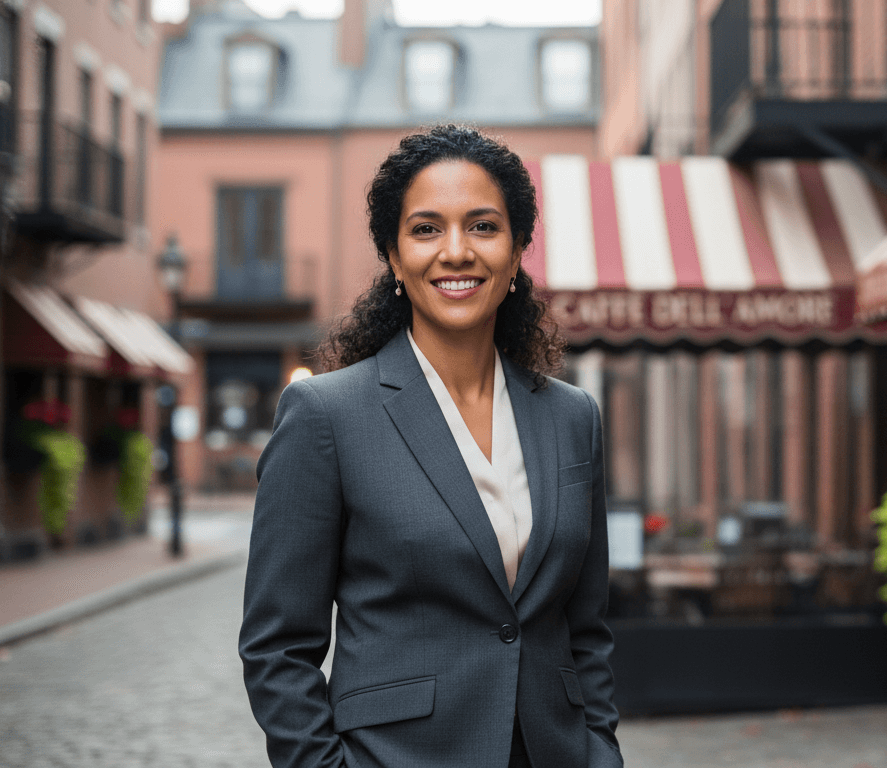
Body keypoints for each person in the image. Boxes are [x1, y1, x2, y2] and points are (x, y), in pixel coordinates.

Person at [239, 125, 622, 768]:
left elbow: (587, 631)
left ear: (518, 247)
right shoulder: (326, 415)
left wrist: (599, 751)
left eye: (482, 226)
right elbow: (277, 648)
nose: (455, 251)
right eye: (425, 229)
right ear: (393, 254)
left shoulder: (572, 416)